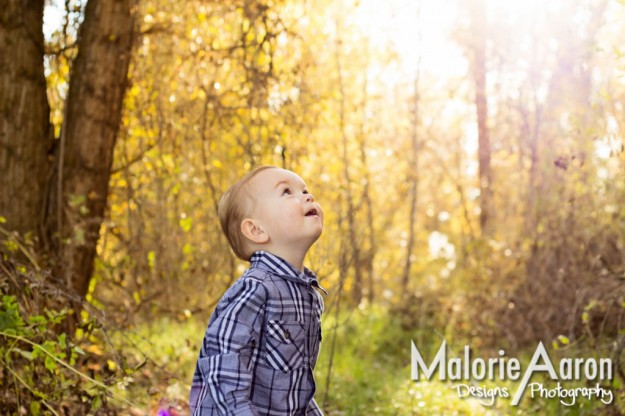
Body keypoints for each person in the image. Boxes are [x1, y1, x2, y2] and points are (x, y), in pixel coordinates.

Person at [189, 166, 326, 415]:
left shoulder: (307, 294)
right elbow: (223, 372)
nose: (308, 196)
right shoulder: (253, 290)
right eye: (287, 192)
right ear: (256, 230)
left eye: (305, 190)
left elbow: (297, 388)